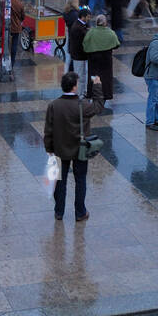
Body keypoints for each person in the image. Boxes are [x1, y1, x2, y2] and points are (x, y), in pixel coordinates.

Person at [43, 71, 104, 222]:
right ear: (75, 87)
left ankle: (59, 212)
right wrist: (97, 86)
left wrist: (49, 148)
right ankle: (80, 212)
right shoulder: (82, 105)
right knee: (80, 180)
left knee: (59, 181)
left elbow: (48, 130)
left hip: (59, 149)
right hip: (80, 149)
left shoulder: (54, 105)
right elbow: (98, 106)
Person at [81, 14, 120, 104]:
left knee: (93, 75)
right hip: (106, 58)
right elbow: (117, 44)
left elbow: (85, 44)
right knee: (106, 77)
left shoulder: (91, 32)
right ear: (105, 23)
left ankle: (93, 93)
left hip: (94, 58)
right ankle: (106, 94)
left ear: (96, 22)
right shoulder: (110, 32)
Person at [68, 7, 91, 96]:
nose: (89, 19)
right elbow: (84, 38)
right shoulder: (78, 27)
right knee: (79, 76)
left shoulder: (80, 25)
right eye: (88, 17)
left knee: (83, 75)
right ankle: (78, 94)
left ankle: (82, 92)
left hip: (81, 55)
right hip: (78, 56)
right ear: (83, 17)